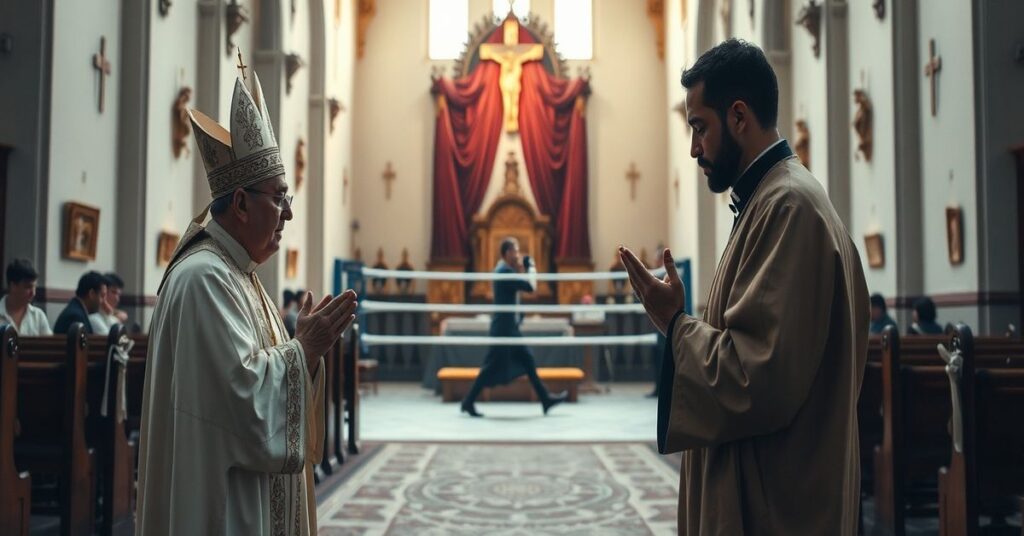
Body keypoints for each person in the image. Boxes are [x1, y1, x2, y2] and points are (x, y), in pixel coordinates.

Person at [619, 39, 869, 535]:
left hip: (776, 502)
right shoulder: (772, 200)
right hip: (769, 487)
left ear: (738, 117)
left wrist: (675, 324)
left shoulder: (788, 207)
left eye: (698, 127)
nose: (693, 148)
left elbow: (757, 377)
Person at [135, 71, 358, 536]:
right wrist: (304, 351)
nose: (289, 213)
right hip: (224, 511)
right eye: (279, 199)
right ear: (239, 203)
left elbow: (259, 379)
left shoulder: (237, 274)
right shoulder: (205, 279)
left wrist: (302, 354)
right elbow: (245, 404)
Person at [460, 237, 569, 417]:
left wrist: (523, 268)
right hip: (504, 329)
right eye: (515, 251)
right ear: (507, 253)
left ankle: (545, 399)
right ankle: (468, 401)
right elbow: (530, 287)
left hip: (508, 328)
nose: (518, 255)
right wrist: (531, 266)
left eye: (518, 251)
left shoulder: (504, 270)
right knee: (492, 368)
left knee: (527, 360)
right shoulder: (504, 272)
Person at [0, 258, 52, 335]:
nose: (33, 293)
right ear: (13, 286)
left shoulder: (38, 316)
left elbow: (49, 345)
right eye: (28, 287)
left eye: (34, 287)